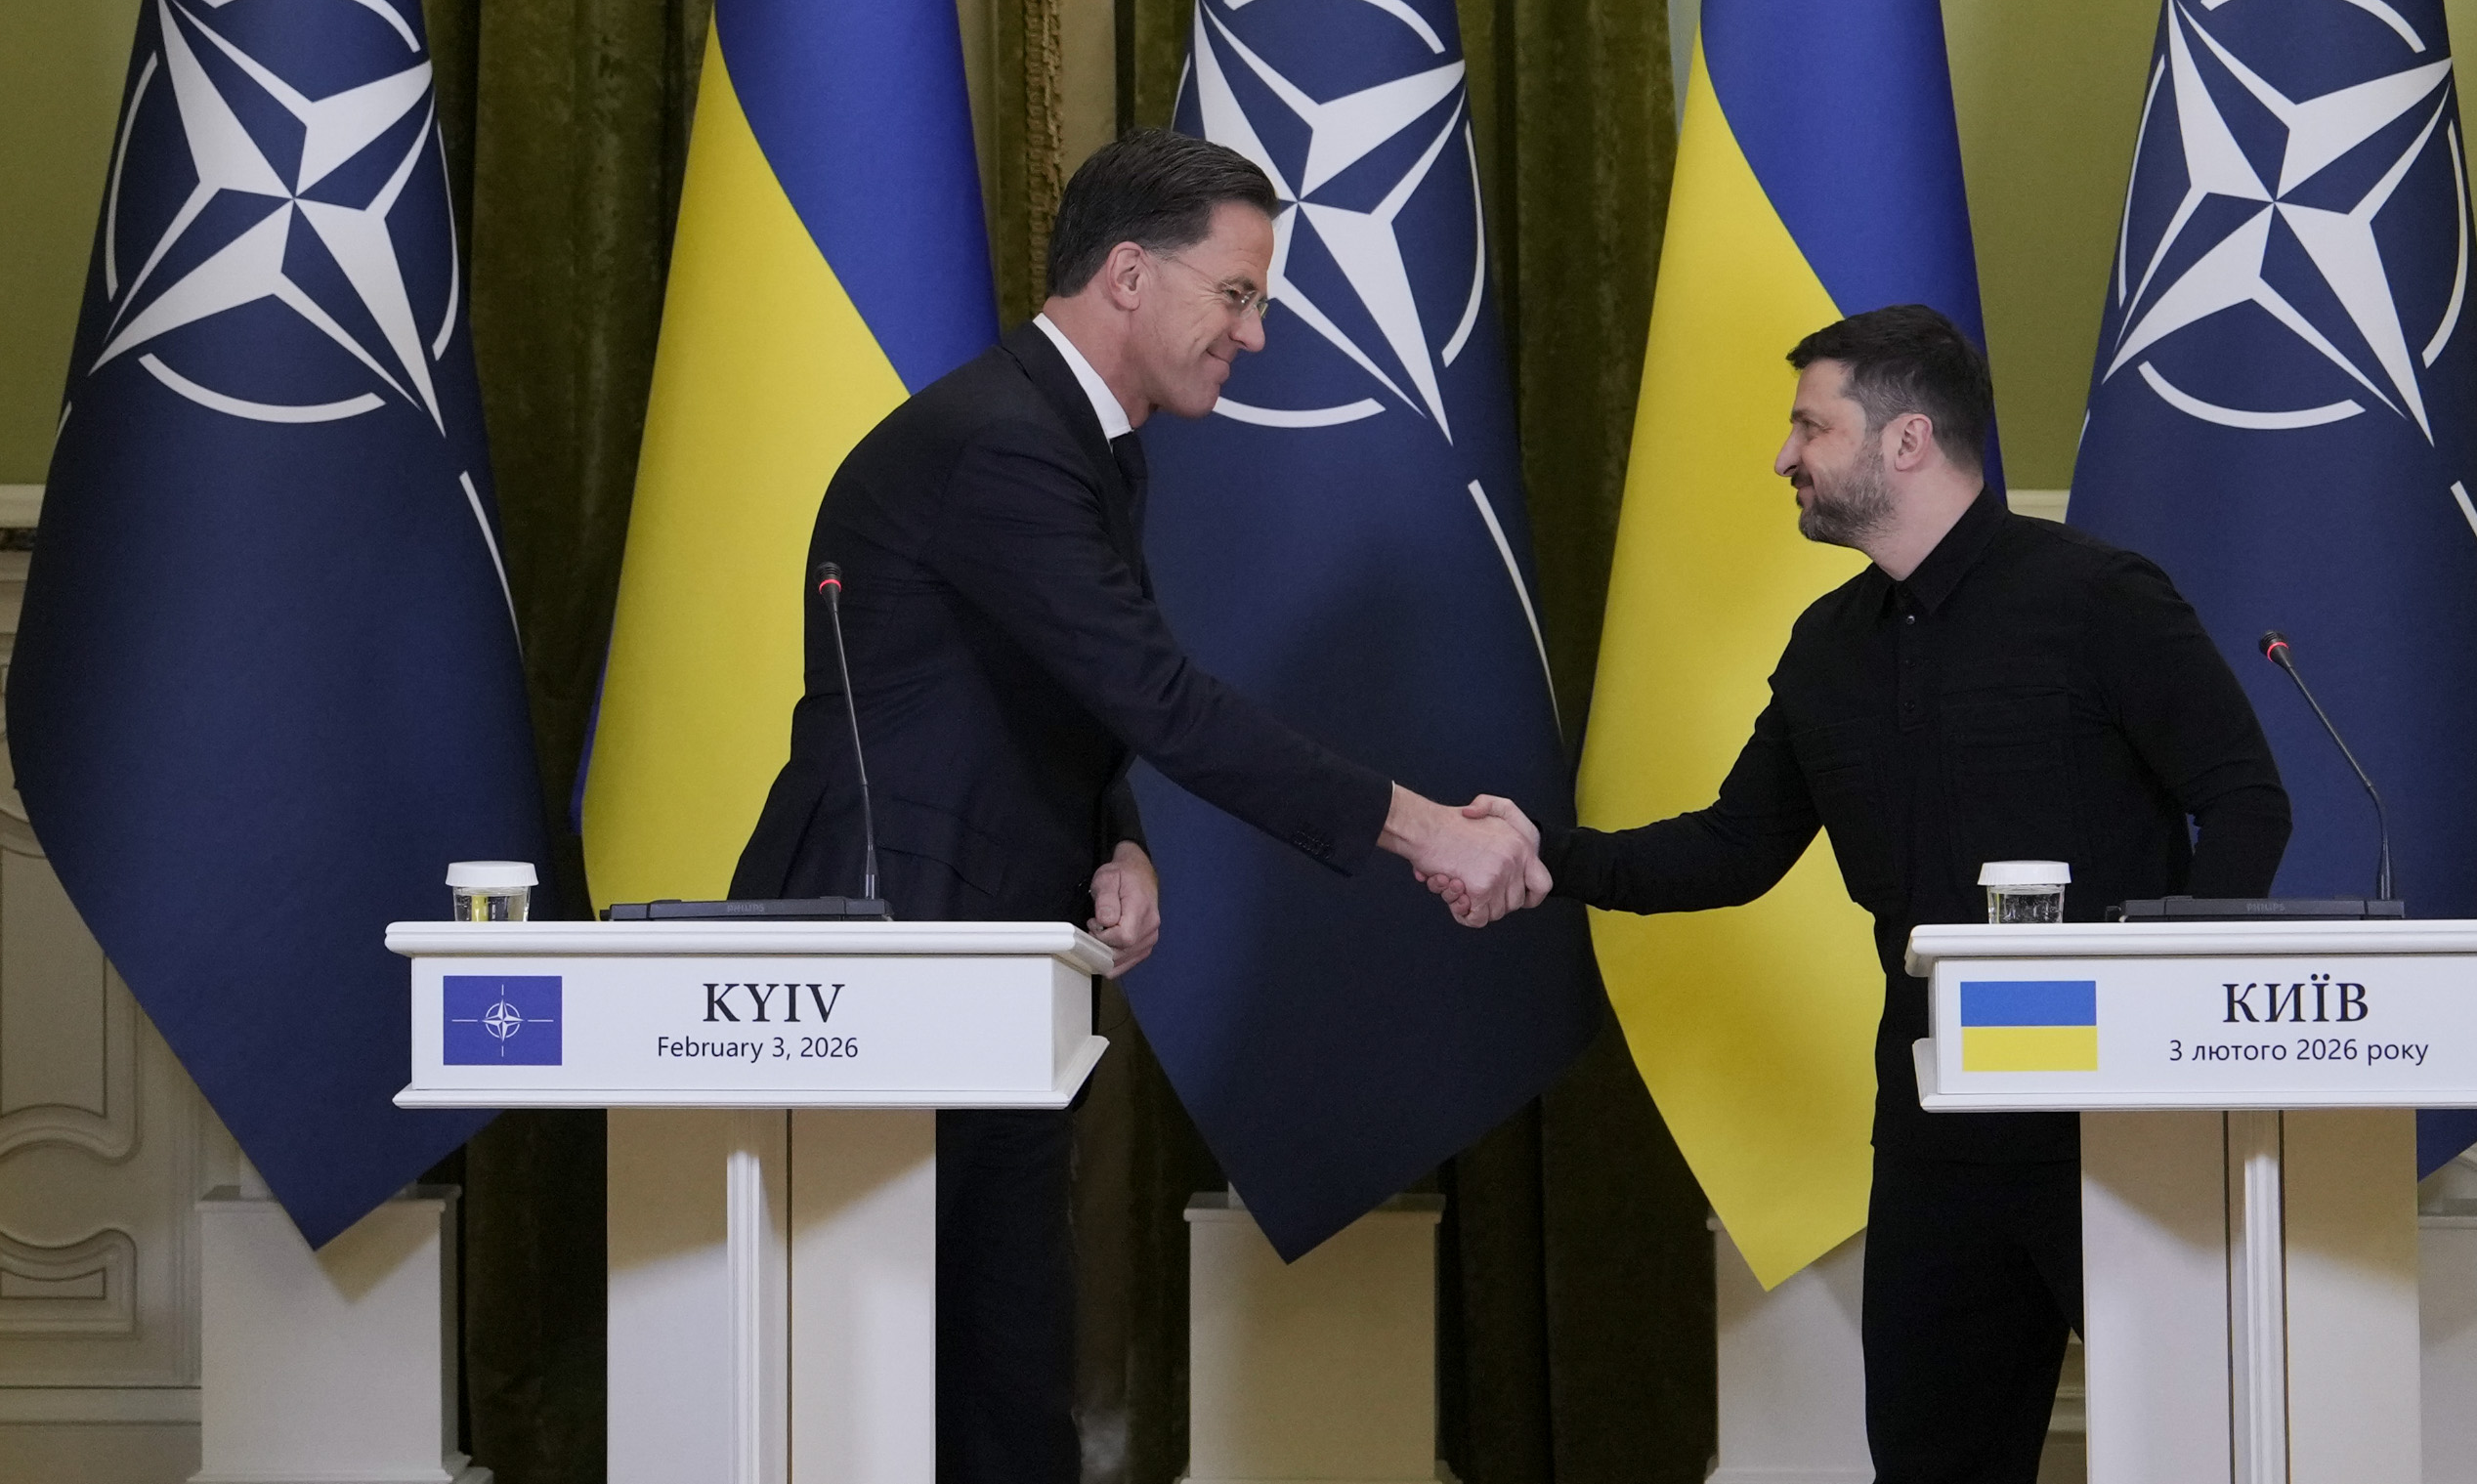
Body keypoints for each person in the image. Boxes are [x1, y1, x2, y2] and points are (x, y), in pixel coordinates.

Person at [732, 127, 1548, 1483]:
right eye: (1235, 293)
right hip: (889, 935)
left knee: (999, 1347)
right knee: (909, 1363)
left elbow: (1056, 681)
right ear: (1125, 276)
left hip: (982, 946)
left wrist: (1118, 828)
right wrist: (1429, 828)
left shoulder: (1071, 438)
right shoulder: (1006, 442)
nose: (1258, 332)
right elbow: (1160, 694)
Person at [1512, 304, 2287, 1484]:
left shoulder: (2101, 599)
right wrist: (1540, 855)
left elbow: (2246, 804)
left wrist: (2164, 1020)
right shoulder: (1828, 644)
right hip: (1935, 1133)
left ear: (1906, 441)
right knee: (1932, 1463)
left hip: (2122, 1128)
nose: (1785, 456)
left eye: (1808, 426)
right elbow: (1732, 849)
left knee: (2197, 1445)